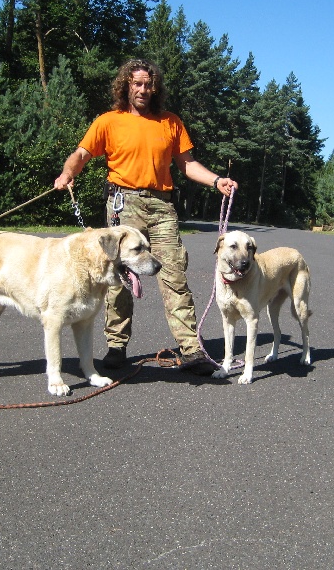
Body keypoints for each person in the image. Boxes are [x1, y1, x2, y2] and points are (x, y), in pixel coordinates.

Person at [54, 58, 239, 374]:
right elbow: (82, 153)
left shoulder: (170, 122)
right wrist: (67, 173)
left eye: (148, 85)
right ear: (126, 86)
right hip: (123, 203)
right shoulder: (109, 121)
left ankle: (191, 350)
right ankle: (116, 346)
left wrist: (216, 180)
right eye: (137, 84)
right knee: (119, 276)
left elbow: (187, 164)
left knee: (174, 274)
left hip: (162, 206)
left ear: (155, 89)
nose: (142, 89)